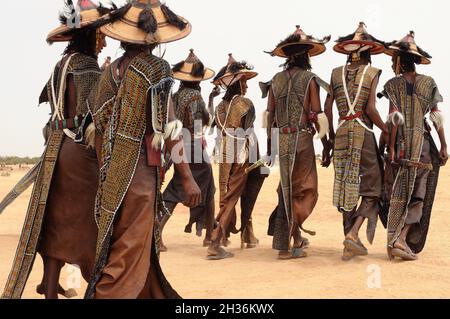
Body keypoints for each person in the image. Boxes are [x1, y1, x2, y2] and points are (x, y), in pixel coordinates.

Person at [84, 0, 201, 299]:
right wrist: (186, 177)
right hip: (140, 176)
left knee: (123, 244)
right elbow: (170, 127)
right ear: (153, 35)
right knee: (126, 252)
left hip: (112, 175)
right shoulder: (156, 68)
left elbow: (97, 125)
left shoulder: (110, 72)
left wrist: (107, 169)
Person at [1, 0, 116, 299]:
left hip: (56, 149)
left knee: (56, 222)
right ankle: (97, 287)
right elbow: (92, 116)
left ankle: (49, 289)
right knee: (88, 224)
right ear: (91, 35)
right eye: (101, 36)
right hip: (79, 154)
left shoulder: (61, 64)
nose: (104, 43)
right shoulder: (87, 66)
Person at [262, 26, 331, 259]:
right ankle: (289, 240)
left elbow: (269, 116)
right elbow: (318, 114)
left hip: (282, 139)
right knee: (307, 190)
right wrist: (326, 143)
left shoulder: (275, 80)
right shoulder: (310, 79)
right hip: (302, 139)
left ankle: (292, 240)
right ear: (305, 55)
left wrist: (270, 146)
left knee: (287, 190)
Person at [380, 31, 448, 261]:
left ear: (400, 60)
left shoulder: (394, 85)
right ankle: (399, 241)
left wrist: (391, 148)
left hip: (402, 147)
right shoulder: (428, 83)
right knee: (417, 195)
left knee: (398, 193)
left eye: (392, 59)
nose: (391, 63)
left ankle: (396, 241)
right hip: (424, 148)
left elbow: (394, 118)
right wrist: (444, 145)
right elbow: (436, 117)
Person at [324, 22, 389, 261]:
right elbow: (370, 109)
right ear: (367, 51)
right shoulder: (372, 73)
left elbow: (327, 107)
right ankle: (353, 234)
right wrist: (386, 129)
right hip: (364, 133)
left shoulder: (334, 74)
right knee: (373, 188)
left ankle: (347, 246)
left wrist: (329, 136)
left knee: (345, 187)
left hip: (341, 131)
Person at [206, 54, 265, 260]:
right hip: (241, 155)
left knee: (228, 191)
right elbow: (248, 132)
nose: (247, 87)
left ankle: (248, 234)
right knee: (234, 195)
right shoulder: (245, 103)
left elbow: (217, 128)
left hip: (223, 154)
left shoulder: (221, 106)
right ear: (238, 84)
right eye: (244, 82)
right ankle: (215, 242)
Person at [158, 49, 217, 251]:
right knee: (197, 189)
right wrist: (210, 101)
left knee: (181, 189)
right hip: (192, 147)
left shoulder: (175, 96)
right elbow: (202, 124)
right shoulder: (196, 98)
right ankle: (209, 236)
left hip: (176, 145)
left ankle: (210, 234)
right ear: (198, 79)